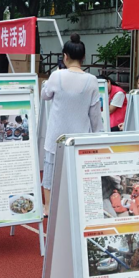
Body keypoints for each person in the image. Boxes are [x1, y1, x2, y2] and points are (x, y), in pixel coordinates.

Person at [41, 33, 103, 215]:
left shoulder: (56, 76)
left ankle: (47, 207)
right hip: (80, 135)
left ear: (64, 56)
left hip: (56, 135)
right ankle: (77, 206)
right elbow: (95, 113)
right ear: (83, 57)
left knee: (51, 170)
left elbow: (45, 95)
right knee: (77, 172)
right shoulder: (92, 80)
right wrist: (98, 135)